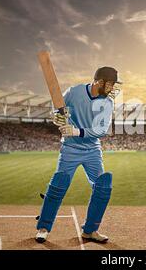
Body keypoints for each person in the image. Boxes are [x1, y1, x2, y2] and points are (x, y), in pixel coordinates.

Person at [35, 67, 122, 243]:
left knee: (103, 187)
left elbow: (100, 130)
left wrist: (75, 131)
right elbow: (57, 109)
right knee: (58, 186)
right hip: (70, 149)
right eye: (110, 84)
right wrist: (56, 117)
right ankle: (43, 228)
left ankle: (90, 230)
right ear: (99, 82)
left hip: (92, 151)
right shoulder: (74, 92)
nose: (112, 89)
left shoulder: (107, 103)